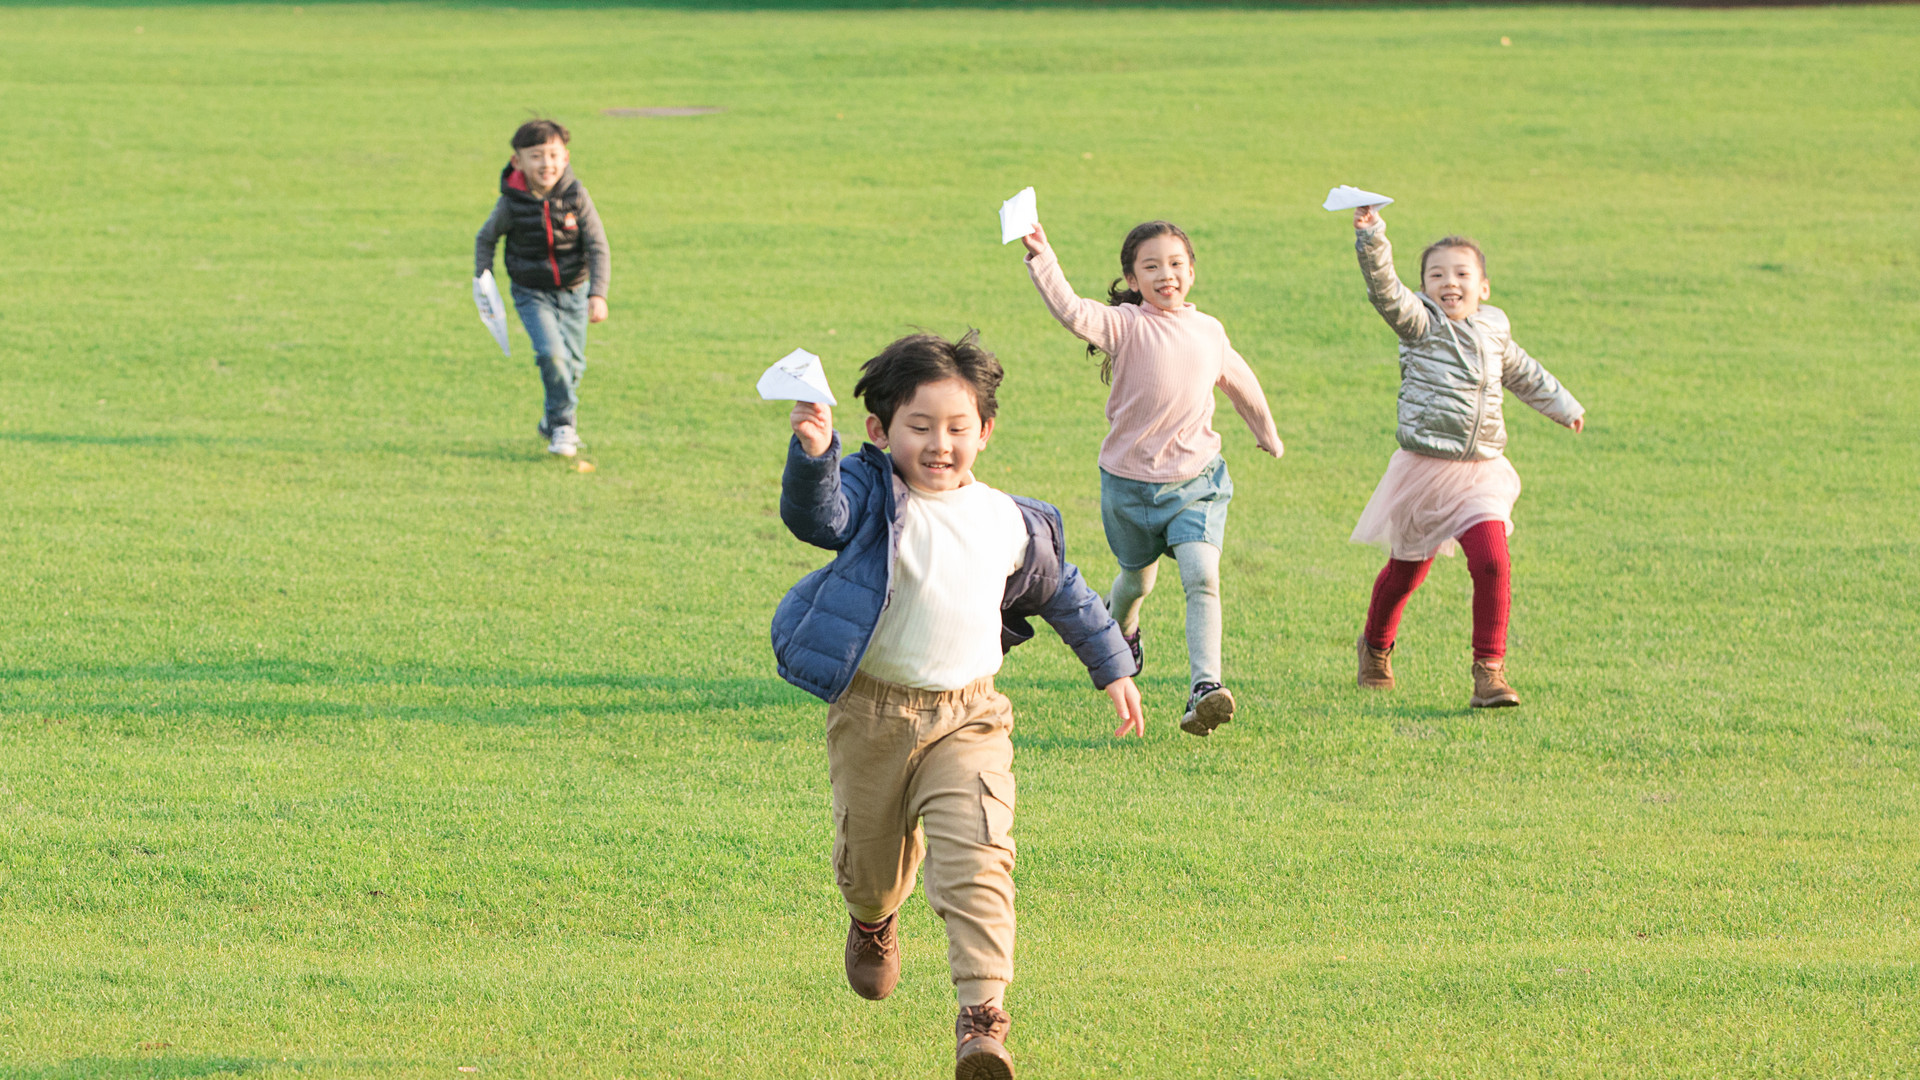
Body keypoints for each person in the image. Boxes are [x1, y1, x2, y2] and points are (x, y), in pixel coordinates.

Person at [773, 331, 1143, 1080]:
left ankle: (982, 1020)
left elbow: (1063, 592)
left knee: (979, 856)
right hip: (872, 715)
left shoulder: (1009, 519)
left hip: (970, 716)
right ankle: (874, 919)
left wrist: (1112, 664)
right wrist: (815, 454)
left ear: (985, 431)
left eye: (957, 427)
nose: (940, 444)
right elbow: (822, 520)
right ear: (880, 432)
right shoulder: (874, 495)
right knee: (871, 864)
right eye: (919, 427)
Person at [1018, 220, 1282, 737]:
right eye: (1152, 266)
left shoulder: (1209, 330)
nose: (1167, 275)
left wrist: (1265, 431)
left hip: (1197, 480)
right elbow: (1072, 310)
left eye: (1177, 264)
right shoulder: (1126, 325)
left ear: (1192, 270)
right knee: (1136, 579)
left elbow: (1238, 377)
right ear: (1133, 279)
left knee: (1202, 577)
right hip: (1128, 485)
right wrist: (1043, 256)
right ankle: (1122, 636)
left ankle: (1205, 687)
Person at [1347, 203, 1586, 707]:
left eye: (1461, 274)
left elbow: (1524, 372)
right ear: (1425, 287)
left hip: (1482, 472)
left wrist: (1564, 406)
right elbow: (1386, 291)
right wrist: (1372, 239)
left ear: (1484, 287)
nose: (1449, 283)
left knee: (1494, 562)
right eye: (1436, 275)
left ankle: (1489, 673)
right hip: (1424, 471)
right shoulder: (1420, 324)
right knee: (1407, 572)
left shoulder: (1495, 329)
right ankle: (1375, 647)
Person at [474, 118, 610, 458]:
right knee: (552, 354)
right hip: (531, 293)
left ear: (565, 158)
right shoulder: (511, 204)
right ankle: (565, 425)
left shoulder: (577, 197)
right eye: (536, 156)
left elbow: (598, 246)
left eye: (552, 155)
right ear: (517, 161)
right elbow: (485, 238)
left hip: (575, 291)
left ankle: (551, 420)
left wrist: (598, 293)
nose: (546, 163)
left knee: (574, 364)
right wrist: (483, 281)